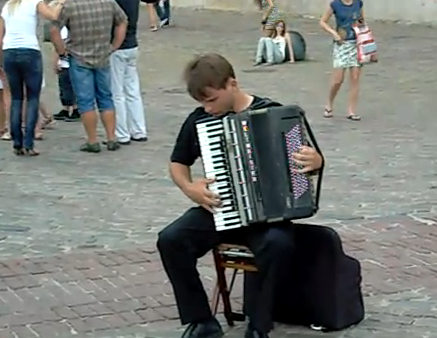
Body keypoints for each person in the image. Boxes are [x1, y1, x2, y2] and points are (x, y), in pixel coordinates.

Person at [157, 53, 323, 338]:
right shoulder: (200, 121)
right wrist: (189, 188)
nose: (207, 109)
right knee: (171, 240)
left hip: (268, 216)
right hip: (222, 208)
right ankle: (202, 321)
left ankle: (259, 326)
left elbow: (307, 163)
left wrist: (316, 161)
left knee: (279, 244)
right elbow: (178, 162)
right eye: (201, 102)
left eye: (211, 100)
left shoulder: (275, 113)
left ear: (232, 84)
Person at [49, 0, 128, 153]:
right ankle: (111, 137)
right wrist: (114, 45)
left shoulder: (70, 5)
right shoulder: (108, 2)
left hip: (78, 57)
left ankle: (92, 140)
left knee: (86, 101)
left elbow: (53, 30)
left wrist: (61, 51)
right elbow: (122, 21)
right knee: (106, 98)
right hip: (102, 56)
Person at [0, 0, 66, 156]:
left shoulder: (8, 5)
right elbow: (52, 16)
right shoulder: (34, 2)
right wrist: (60, 3)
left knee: (16, 99)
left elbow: (1, 35)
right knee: (32, 98)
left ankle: (17, 141)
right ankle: (28, 142)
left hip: (9, 51)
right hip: (29, 51)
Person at [110, 0, 147, 145]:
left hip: (117, 45)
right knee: (133, 91)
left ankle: (121, 133)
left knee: (117, 93)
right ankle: (138, 130)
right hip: (132, 43)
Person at [320, 0, 364, 121]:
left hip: (356, 43)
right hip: (341, 44)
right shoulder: (335, 4)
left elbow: (362, 20)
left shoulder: (358, 3)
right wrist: (333, 33)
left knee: (355, 78)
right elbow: (323, 22)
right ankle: (329, 103)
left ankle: (352, 110)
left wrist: (362, 31)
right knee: (338, 80)